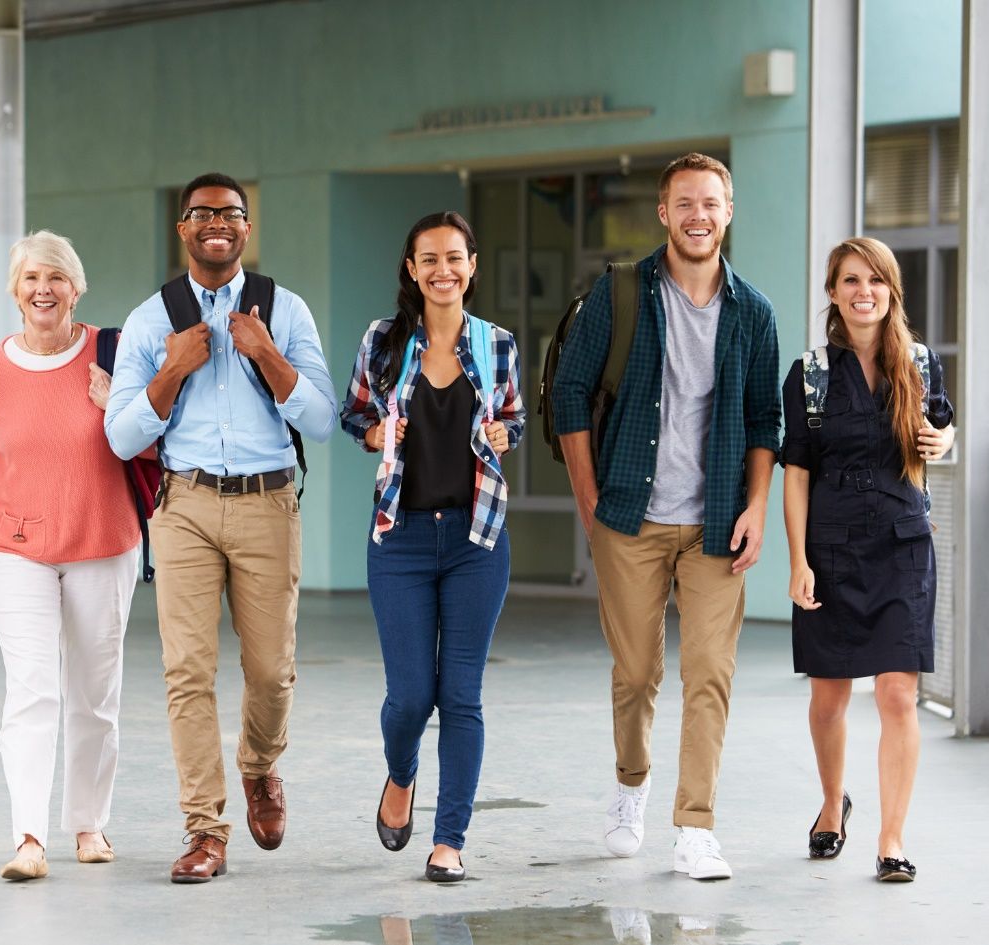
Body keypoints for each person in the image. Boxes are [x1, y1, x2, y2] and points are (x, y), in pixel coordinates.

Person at [551, 153, 781, 880]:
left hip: (715, 520)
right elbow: (567, 394)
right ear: (663, 212)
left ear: (728, 211)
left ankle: (695, 825)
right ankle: (630, 785)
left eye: (710, 203)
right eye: (684, 203)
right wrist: (589, 502)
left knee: (708, 671)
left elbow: (763, 418)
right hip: (628, 513)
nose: (697, 215)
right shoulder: (620, 293)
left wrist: (755, 504)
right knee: (636, 671)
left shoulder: (754, 311)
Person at [105, 172, 336, 883]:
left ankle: (260, 766)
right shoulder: (153, 320)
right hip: (187, 506)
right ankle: (204, 828)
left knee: (271, 670)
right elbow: (119, 435)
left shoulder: (285, 310)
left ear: (244, 227)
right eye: (202, 213)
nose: (217, 223)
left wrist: (266, 353)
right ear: (183, 229)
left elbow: (323, 420)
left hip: (269, 502)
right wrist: (170, 372)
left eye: (230, 214)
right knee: (187, 672)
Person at [0, 231, 144, 881]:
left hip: (103, 539)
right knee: (32, 690)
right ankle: (28, 835)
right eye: (32, 277)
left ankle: (88, 823)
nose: (43, 289)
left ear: (76, 287)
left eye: (56, 277)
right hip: (14, 547)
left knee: (94, 691)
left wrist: (116, 402)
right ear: (14, 290)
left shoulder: (115, 357)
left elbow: (157, 450)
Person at [339, 211, 524, 883]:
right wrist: (380, 436)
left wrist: (507, 434)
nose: (442, 269)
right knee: (412, 697)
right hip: (401, 538)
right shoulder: (383, 341)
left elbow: (511, 416)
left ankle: (449, 840)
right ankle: (400, 772)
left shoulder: (497, 343)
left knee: (462, 695)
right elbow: (354, 414)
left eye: (454, 257)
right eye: (429, 259)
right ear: (412, 269)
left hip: (477, 536)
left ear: (472, 265)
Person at [781, 237, 954, 883]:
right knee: (829, 698)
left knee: (897, 694)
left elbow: (941, 425)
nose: (863, 291)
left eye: (875, 280)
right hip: (829, 548)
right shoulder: (810, 373)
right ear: (832, 291)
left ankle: (890, 837)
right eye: (850, 280)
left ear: (891, 290)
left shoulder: (920, 364)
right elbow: (795, 470)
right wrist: (797, 559)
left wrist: (946, 437)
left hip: (902, 544)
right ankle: (832, 801)